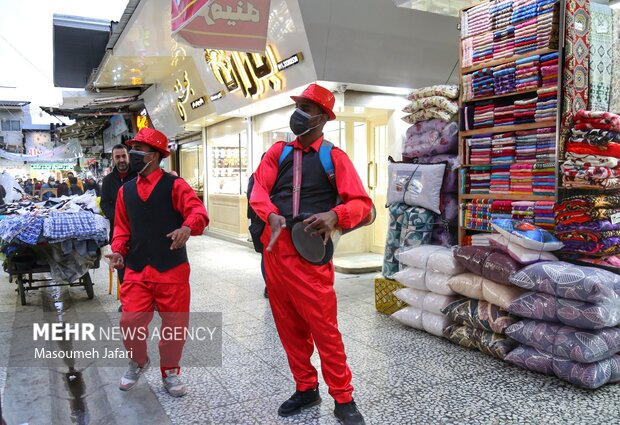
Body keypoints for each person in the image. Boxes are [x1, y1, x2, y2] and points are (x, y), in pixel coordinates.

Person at [249, 83, 372, 425]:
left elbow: (363, 204)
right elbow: (258, 187)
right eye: (298, 105)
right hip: (275, 254)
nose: (298, 113)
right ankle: (306, 388)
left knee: (324, 330)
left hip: (310, 258)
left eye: (306, 107)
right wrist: (268, 213)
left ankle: (343, 398)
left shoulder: (333, 157)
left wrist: (336, 216)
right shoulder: (278, 152)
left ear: (322, 118)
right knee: (288, 329)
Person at [105, 128, 209, 397]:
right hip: (137, 268)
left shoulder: (176, 185)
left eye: (139, 150)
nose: (133, 155)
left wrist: (188, 226)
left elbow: (198, 212)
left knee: (174, 326)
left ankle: (171, 371)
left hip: (171, 268)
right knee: (129, 321)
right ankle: (138, 361)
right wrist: (117, 250)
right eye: (133, 149)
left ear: (155, 156)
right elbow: (121, 229)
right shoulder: (125, 191)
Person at [101, 144, 138, 311]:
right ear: (113, 159)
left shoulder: (138, 174)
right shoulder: (108, 180)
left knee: (143, 264)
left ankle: (149, 299)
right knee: (122, 266)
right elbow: (104, 203)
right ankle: (127, 302)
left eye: (124, 156)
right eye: (118, 157)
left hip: (139, 229)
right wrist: (117, 216)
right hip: (118, 230)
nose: (121, 160)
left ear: (128, 156)